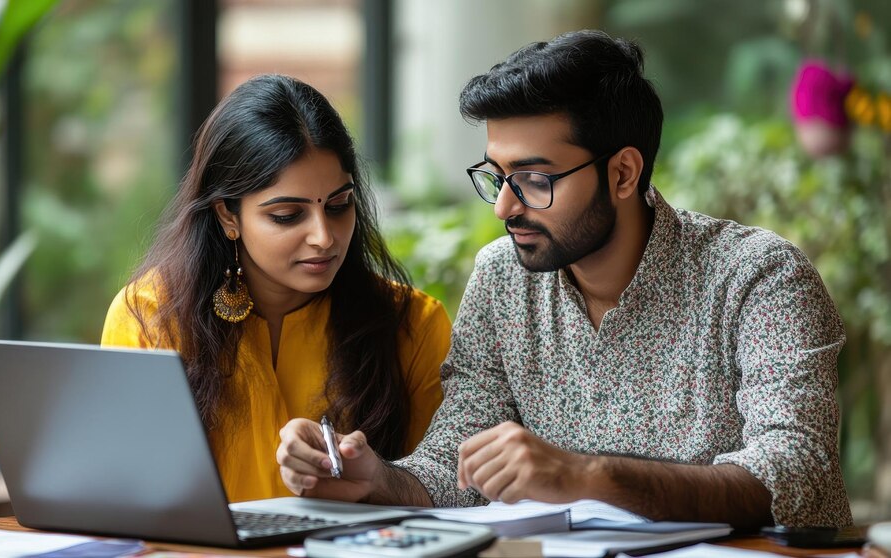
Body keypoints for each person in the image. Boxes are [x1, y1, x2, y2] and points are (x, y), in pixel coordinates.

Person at [276, 30, 853, 529]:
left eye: (532, 178)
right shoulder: (503, 280)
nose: (504, 207)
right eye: (497, 176)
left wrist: (585, 477)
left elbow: (795, 474)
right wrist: (377, 479)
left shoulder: (757, 277)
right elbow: (457, 470)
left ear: (623, 173)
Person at [101, 74, 451, 502]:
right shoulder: (151, 316)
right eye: (287, 215)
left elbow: (451, 495)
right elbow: (125, 496)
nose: (324, 236)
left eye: (339, 206)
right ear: (228, 215)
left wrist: (378, 478)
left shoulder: (412, 324)